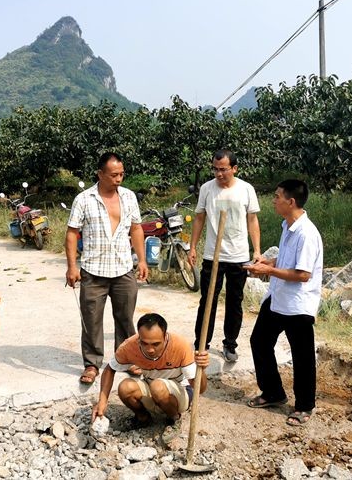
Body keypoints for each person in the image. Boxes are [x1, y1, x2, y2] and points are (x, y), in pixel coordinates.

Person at [244, 179, 323, 426]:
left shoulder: (307, 233)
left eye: (277, 196)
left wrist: (267, 272)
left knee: (302, 355)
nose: (274, 200)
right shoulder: (288, 226)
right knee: (259, 340)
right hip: (278, 298)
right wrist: (269, 263)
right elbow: (288, 260)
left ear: (291, 202)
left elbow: (303, 274)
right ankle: (273, 392)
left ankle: (304, 406)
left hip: (298, 304)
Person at [66, 152, 149, 385]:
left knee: (125, 317)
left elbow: (136, 229)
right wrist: (72, 266)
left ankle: (126, 358)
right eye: (113, 175)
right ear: (100, 174)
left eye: (121, 174)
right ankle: (92, 364)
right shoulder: (83, 199)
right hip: (93, 270)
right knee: (91, 320)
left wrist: (141, 260)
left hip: (123, 268)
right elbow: (72, 233)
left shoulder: (129, 197)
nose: (118, 179)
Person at [188, 149, 262, 363]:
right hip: (213, 256)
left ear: (234, 169)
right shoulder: (207, 189)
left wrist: (256, 251)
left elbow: (252, 221)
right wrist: (193, 247)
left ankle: (230, 344)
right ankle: (201, 343)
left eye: (223, 170)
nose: (218, 174)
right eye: (215, 169)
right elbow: (199, 218)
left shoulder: (246, 189)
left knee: (234, 301)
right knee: (207, 301)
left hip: (238, 255)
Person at [91, 313, 209, 443]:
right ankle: (143, 418)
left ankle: (174, 419)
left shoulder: (180, 345)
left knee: (157, 386)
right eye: (144, 343)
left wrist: (201, 369)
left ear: (165, 337)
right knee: (125, 387)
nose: (150, 349)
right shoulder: (130, 346)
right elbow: (110, 369)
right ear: (139, 338)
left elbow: (200, 389)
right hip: (152, 389)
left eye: (156, 344)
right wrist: (102, 401)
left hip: (179, 394)